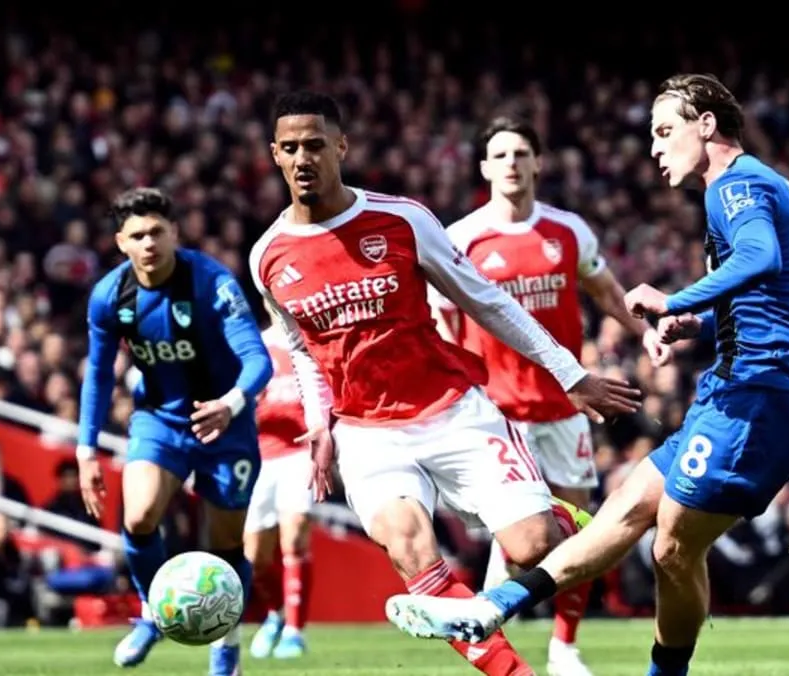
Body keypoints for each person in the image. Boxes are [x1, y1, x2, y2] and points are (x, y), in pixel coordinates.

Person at [384, 73, 789, 676]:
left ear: (707, 124)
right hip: (738, 385)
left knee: (672, 541)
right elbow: (781, 290)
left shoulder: (736, 184)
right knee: (628, 507)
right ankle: (492, 608)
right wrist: (701, 324)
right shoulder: (751, 188)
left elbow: (762, 259)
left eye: (665, 131)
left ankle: (641, 664)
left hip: (765, 394)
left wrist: (677, 301)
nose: (654, 147)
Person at [249, 90, 642, 676]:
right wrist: (319, 424)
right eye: (290, 148)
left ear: (341, 146)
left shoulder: (402, 219)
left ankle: (563, 520)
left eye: (314, 145)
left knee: (532, 546)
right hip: (366, 434)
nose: (303, 158)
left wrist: (571, 374)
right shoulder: (268, 257)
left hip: (453, 409)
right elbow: (304, 351)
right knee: (409, 549)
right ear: (274, 156)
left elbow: (486, 302)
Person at [430, 115, 671, 673]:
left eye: (521, 153)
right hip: (495, 409)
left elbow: (609, 294)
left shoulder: (568, 232)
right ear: (485, 167)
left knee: (581, 525)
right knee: (514, 533)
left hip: (564, 405)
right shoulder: (462, 237)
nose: (512, 163)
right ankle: (491, 644)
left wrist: (648, 332)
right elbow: (440, 318)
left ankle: (564, 647)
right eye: (501, 155)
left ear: (538, 162)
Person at [76, 187, 273, 675]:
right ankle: (150, 613)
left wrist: (230, 405)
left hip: (224, 424)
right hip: (159, 419)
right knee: (139, 516)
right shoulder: (109, 296)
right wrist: (86, 450)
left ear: (174, 234)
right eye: (138, 235)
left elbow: (257, 359)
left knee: (226, 546)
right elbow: (99, 375)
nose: (149, 243)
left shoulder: (211, 283)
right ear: (121, 242)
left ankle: (225, 643)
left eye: (157, 232)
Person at [246, 310, 315, 660]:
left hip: (300, 452)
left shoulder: (311, 342)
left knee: (295, 535)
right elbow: (239, 402)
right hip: (260, 457)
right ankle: (274, 614)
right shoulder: (255, 346)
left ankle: (294, 631)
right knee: (255, 556)